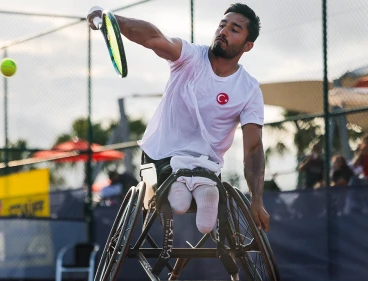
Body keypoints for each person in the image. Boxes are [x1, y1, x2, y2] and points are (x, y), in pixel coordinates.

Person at [88, 3, 270, 234]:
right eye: (222, 25)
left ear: (248, 45)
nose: (223, 31)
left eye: (234, 29)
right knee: (180, 202)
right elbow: (154, 38)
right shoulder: (190, 57)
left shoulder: (249, 90)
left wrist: (257, 200)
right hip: (160, 157)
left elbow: (253, 149)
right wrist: (111, 20)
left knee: (207, 215)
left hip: (205, 167)